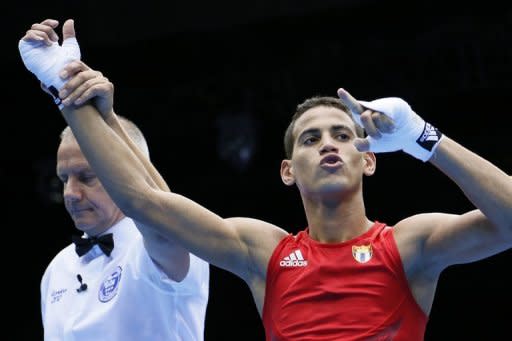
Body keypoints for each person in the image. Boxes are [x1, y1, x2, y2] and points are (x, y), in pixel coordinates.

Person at [19, 19, 512, 341]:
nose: (328, 144)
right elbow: (149, 204)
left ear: (369, 159)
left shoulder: (409, 244)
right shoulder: (263, 251)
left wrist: (422, 138)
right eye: (310, 138)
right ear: (287, 170)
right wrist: (66, 87)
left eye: (343, 134)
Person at [20, 19, 210, 341]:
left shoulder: (161, 246)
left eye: (86, 177)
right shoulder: (57, 270)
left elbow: (162, 218)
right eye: (64, 179)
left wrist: (68, 97)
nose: (70, 193)